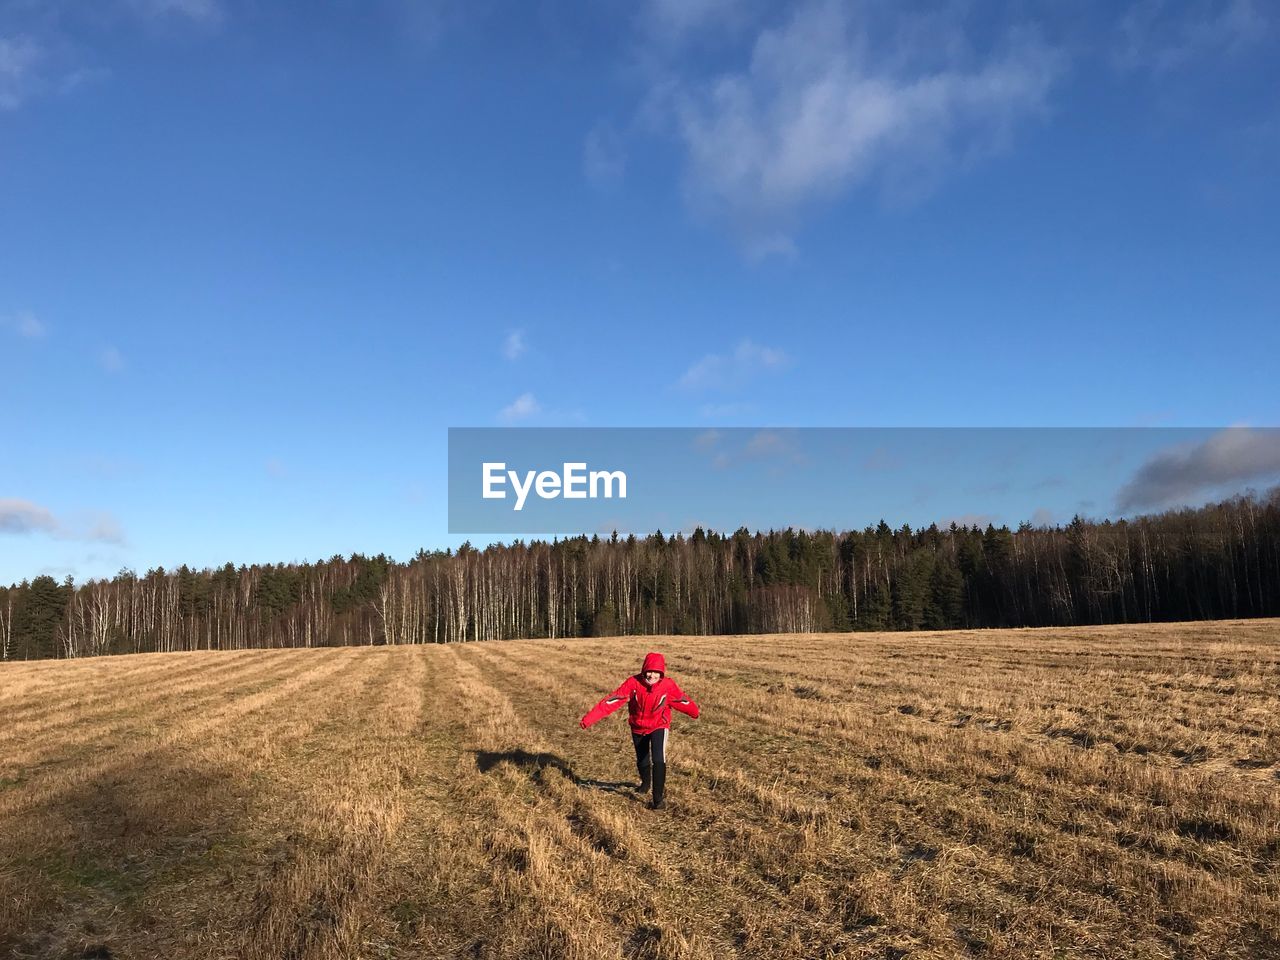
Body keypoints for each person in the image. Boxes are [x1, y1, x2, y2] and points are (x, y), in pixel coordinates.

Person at [579, 651, 700, 810]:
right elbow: (611, 701)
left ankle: (658, 800)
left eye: (656, 672)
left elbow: (682, 700)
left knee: (658, 759)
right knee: (642, 760)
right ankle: (645, 783)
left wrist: (695, 712)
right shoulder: (632, 683)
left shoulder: (668, 686)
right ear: (644, 670)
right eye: (649, 671)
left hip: (659, 725)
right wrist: (588, 719)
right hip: (638, 726)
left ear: (661, 673)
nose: (652, 675)